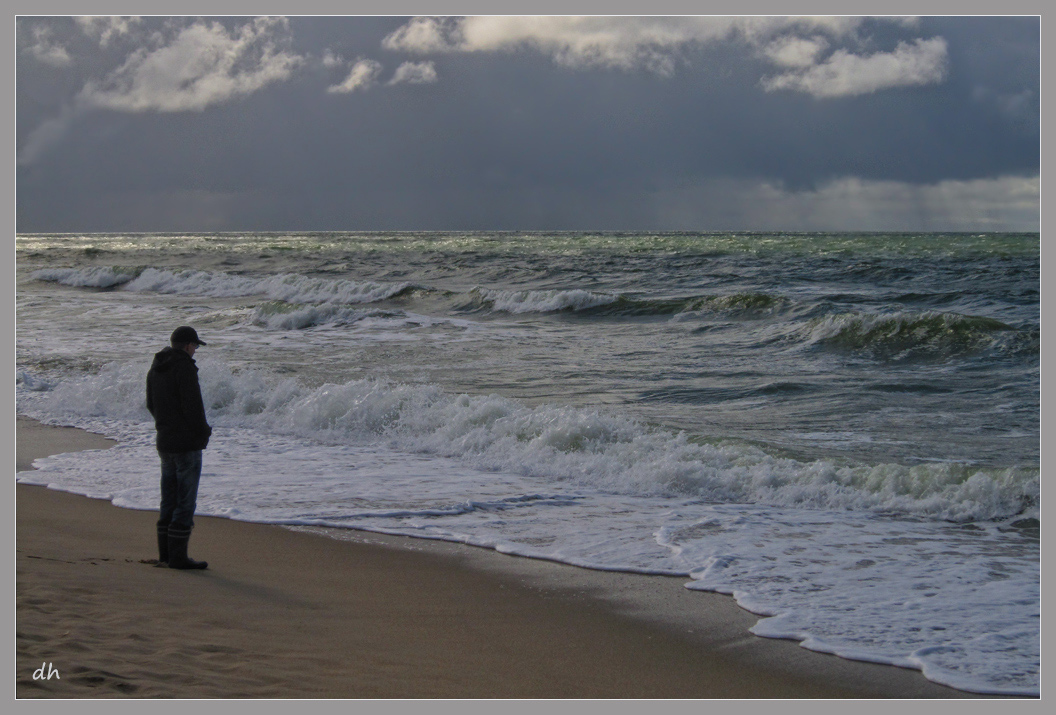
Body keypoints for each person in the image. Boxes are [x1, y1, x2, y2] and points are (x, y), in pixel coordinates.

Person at [146, 326, 213, 570]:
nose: (195, 351)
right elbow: (193, 407)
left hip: (164, 440)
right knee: (185, 501)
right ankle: (178, 557)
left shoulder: (156, 366)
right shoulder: (184, 367)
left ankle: (165, 554)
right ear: (187, 346)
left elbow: (150, 403)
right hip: (186, 444)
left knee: (169, 499)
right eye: (195, 346)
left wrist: (164, 426)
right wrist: (203, 433)